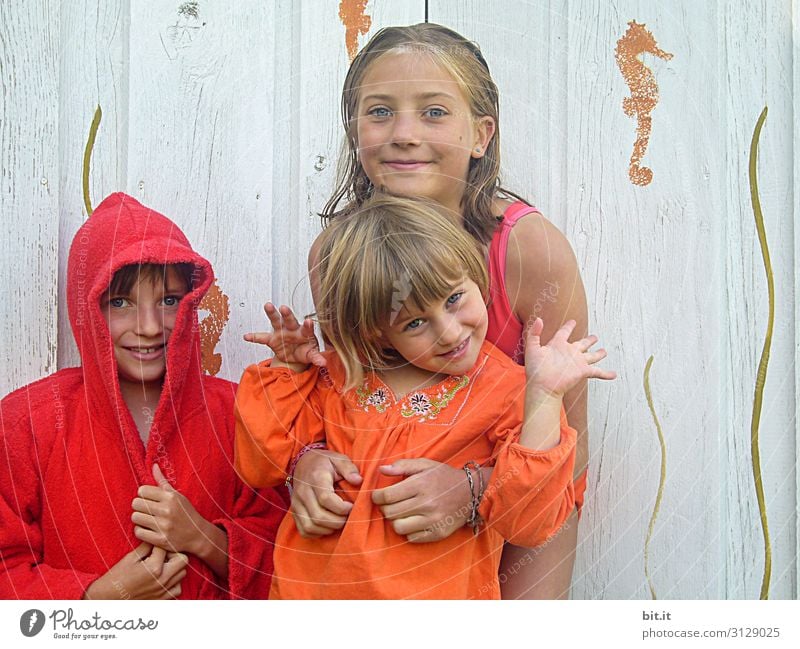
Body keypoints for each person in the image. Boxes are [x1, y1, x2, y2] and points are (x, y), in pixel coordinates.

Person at [291, 23, 593, 599]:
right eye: (380, 112)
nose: (404, 134)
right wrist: (304, 464)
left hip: (518, 526)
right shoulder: (336, 259)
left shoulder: (527, 252)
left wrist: (475, 491)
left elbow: (569, 451)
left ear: (481, 135)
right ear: (355, 131)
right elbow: (337, 404)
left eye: (433, 112)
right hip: (375, 557)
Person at [234, 195, 613, 599]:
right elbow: (260, 464)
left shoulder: (507, 392)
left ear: (476, 277)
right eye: (415, 323)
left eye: (454, 299)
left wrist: (545, 396)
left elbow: (529, 521)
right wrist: (289, 373)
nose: (450, 333)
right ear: (377, 332)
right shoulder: (339, 375)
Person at [0, 192, 285, 599]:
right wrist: (99, 597)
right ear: (87, 308)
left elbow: (290, 558)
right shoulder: (27, 421)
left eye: (168, 301)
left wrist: (202, 537)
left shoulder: (238, 412)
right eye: (120, 302)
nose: (149, 326)